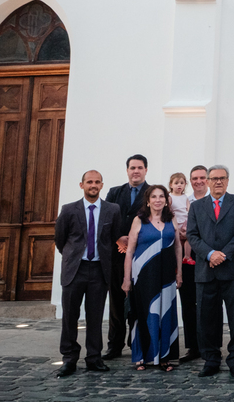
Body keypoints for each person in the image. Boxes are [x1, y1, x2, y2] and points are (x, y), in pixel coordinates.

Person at [54, 170, 120, 377]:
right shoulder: (68, 210)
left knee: (95, 316)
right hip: (76, 269)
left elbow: (115, 238)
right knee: (70, 316)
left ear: (102, 185)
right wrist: (73, 257)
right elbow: (60, 239)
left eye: (97, 182)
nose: (93, 185)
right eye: (89, 182)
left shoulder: (112, 210)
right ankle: (69, 358)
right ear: (81, 185)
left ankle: (94, 357)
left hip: (99, 271)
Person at [187, 165, 234, 377]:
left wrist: (222, 254)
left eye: (222, 178)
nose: (218, 182)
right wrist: (209, 254)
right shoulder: (196, 207)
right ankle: (211, 359)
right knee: (207, 318)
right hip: (206, 271)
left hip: (233, 269)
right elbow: (192, 235)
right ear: (206, 181)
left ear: (227, 180)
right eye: (213, 178)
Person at [122, 185, 182, 370]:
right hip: (143, 276)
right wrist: (126, 279)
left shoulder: (171, 219)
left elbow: (178, 247)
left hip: (166, 276)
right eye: (154, 197)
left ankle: (164, 357)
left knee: (165, 313)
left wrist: (179, 272)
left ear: (166, 200)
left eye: (161, 196)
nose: (158, 200)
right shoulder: (139, 221)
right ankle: (141, 356)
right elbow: (130, 251)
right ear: (148, 201)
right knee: (144, 314)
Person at [102, 154, 149, 361]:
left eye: (139, 167)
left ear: (146, 170)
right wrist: (118, 239)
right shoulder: (115, 192)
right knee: (117, 302)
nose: (136, 171)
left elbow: (157, 220)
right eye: (132, 168)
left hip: (141, 255)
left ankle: (137, 341)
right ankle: (115, 344)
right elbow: (105, 220)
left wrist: (134, 240)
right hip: (117, 255)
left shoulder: (153, 192)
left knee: (139, 301)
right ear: (127, 170)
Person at [178, 165, 207, 362]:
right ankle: (192, 346)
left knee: (208, 303)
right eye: (194, 178)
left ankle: (208, 345)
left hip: (208, 256)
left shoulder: (214, 201)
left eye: (202, 178)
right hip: (187, 257)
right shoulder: (183, 201)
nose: (198, 181)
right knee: (188, 302)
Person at [169, 173, 193, 266]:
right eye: (176, 183)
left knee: (188, 238)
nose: (179, 185)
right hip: (175, 222)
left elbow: (189, 210)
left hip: (185, 222)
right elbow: (169, 211)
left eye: (181, 183)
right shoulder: (170, 197)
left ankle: (187, 256)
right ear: (171, 185)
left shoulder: (185, 197)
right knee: (178, 242)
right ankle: (176, 261)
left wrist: (187, 223)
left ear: (185, 185)